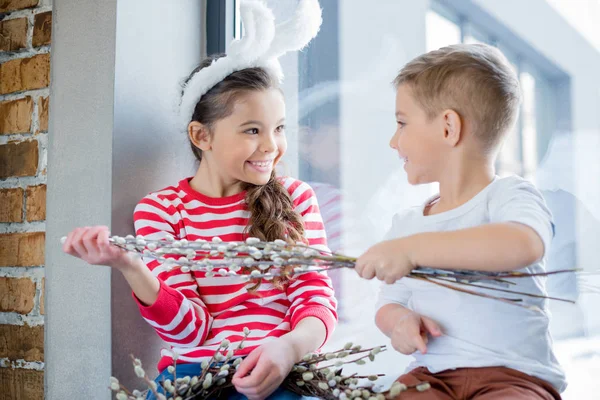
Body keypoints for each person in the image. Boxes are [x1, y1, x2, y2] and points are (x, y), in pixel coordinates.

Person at [62, 1, 337, 399]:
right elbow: (191, 330)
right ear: (201, 136)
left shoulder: (295, 197)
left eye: (278, 128)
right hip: (194, 377)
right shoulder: (162, 210)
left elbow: (315, 297)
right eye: (252, 130)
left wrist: (288, 348)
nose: (271, 146)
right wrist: (131, 266)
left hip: (281, 369)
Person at [355, 44, 565, 399]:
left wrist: (412, 250)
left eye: (402, 123)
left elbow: (523, 244)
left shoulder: (509, 196)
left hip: (513, 380)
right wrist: (400, 322)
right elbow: (389, 303)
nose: (394, 141)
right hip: (430, 377)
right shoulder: (407, 223)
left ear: (449, 127)